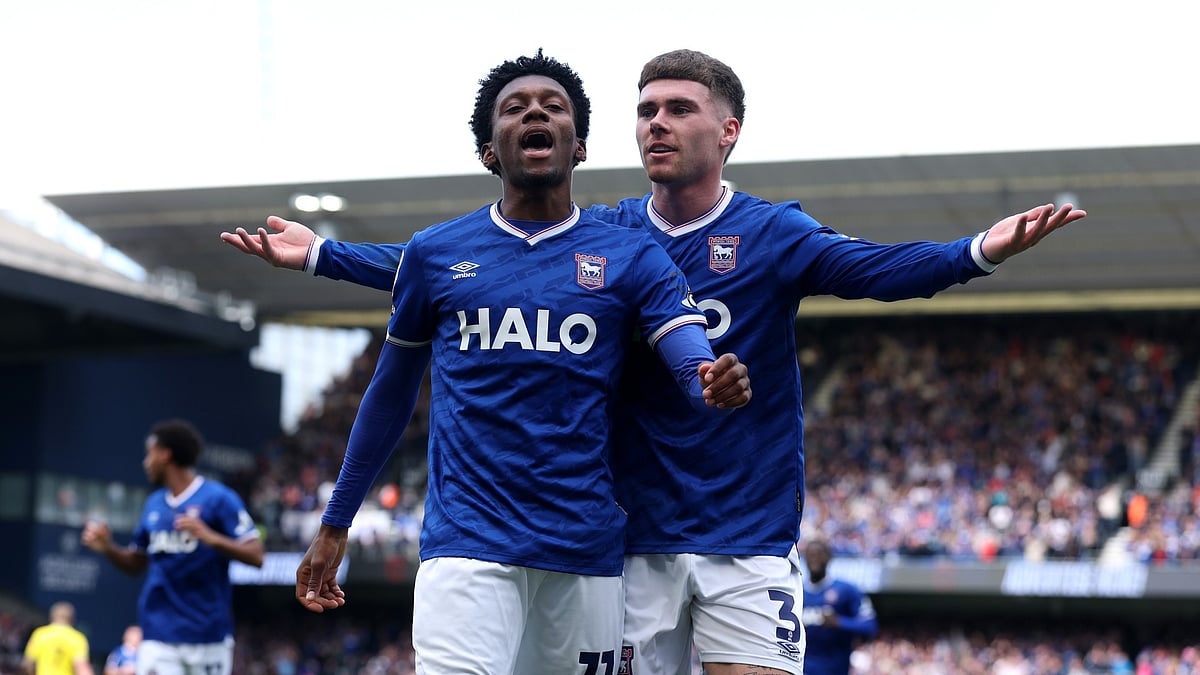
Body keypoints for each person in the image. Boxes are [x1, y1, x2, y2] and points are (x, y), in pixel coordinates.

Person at [222, 49, 1086, 675]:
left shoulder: (772, 232)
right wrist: (323, 257)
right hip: (629, 540)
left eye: (677, 109)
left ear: (729, 129)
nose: (656, 124)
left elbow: (879, 271)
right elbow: (461, 271)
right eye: (645, 110)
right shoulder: (611, 238)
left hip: (746, 531)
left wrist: (975, 249)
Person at [290, 50, 751, 675]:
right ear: (490, 151)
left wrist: (711, 382)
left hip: (584, 553)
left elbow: (689, 365)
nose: (535, 111)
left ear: (579, 145)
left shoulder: (632, 257)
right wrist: (337, 519)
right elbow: (390, 395)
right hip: (467, 550)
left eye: (553, 106)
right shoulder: (434, 254)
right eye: (515, 108)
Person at [80, 419, 264, 675]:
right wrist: (108, 548)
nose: (145, 462)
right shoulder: (154, 504)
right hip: (159, 634)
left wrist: (212, 537)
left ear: (165, 455)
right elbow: (136, 563)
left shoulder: (219, 498)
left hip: (207, 635)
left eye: (149, 453)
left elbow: (257, 556)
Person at [800, 540, 878, 675]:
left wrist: (839, 622)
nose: (815, 558)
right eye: (811, 554)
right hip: (801, 669)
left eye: (819, 554)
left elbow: (870, 626)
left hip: (835, 668)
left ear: (829, 558)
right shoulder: (797, 592)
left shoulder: (847, 590)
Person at [22, 602, 93, 675]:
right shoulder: (77, 638)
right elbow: (82, 668)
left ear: (51, 617)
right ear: (71, 619)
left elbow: (28, 663)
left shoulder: (40, 634)